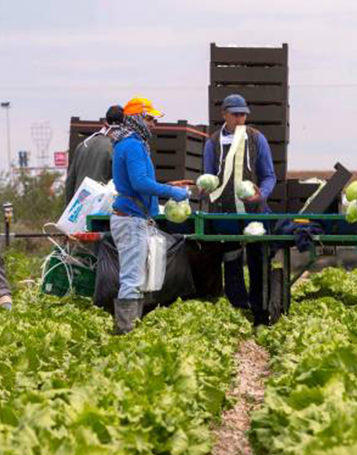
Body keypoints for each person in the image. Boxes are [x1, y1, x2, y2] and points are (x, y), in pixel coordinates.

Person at [111, 96, 191, 333]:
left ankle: (130, 330)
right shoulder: (133, 145)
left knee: (135, 278)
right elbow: (140, 183)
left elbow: (139, 182)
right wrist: (172, 191)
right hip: (131, 219)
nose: (153, 123)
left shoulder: (128, 142)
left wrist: (166, 187)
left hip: (134, 216)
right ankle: (126, 333)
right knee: (132, 280)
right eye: (149, 118)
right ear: (136, 119)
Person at [202, 94, 277, 326]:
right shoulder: (212, 143)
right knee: (231, 257)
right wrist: (205, 187)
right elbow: (209, 176)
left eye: (243, 114)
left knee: (258, 259)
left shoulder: (257, 139)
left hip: (254, 213)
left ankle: (260, 312)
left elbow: (269, 175)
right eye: (235, 114)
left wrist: (260, 195)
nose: (240, 118)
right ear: (224, 114)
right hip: (224, 213)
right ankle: (238, 307)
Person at [65, 105, 124, 203]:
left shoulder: (83, 145)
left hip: (79, 207)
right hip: (101, 210)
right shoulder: (116, 149)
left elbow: (70, 183)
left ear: (105, 123)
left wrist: (69, 210)